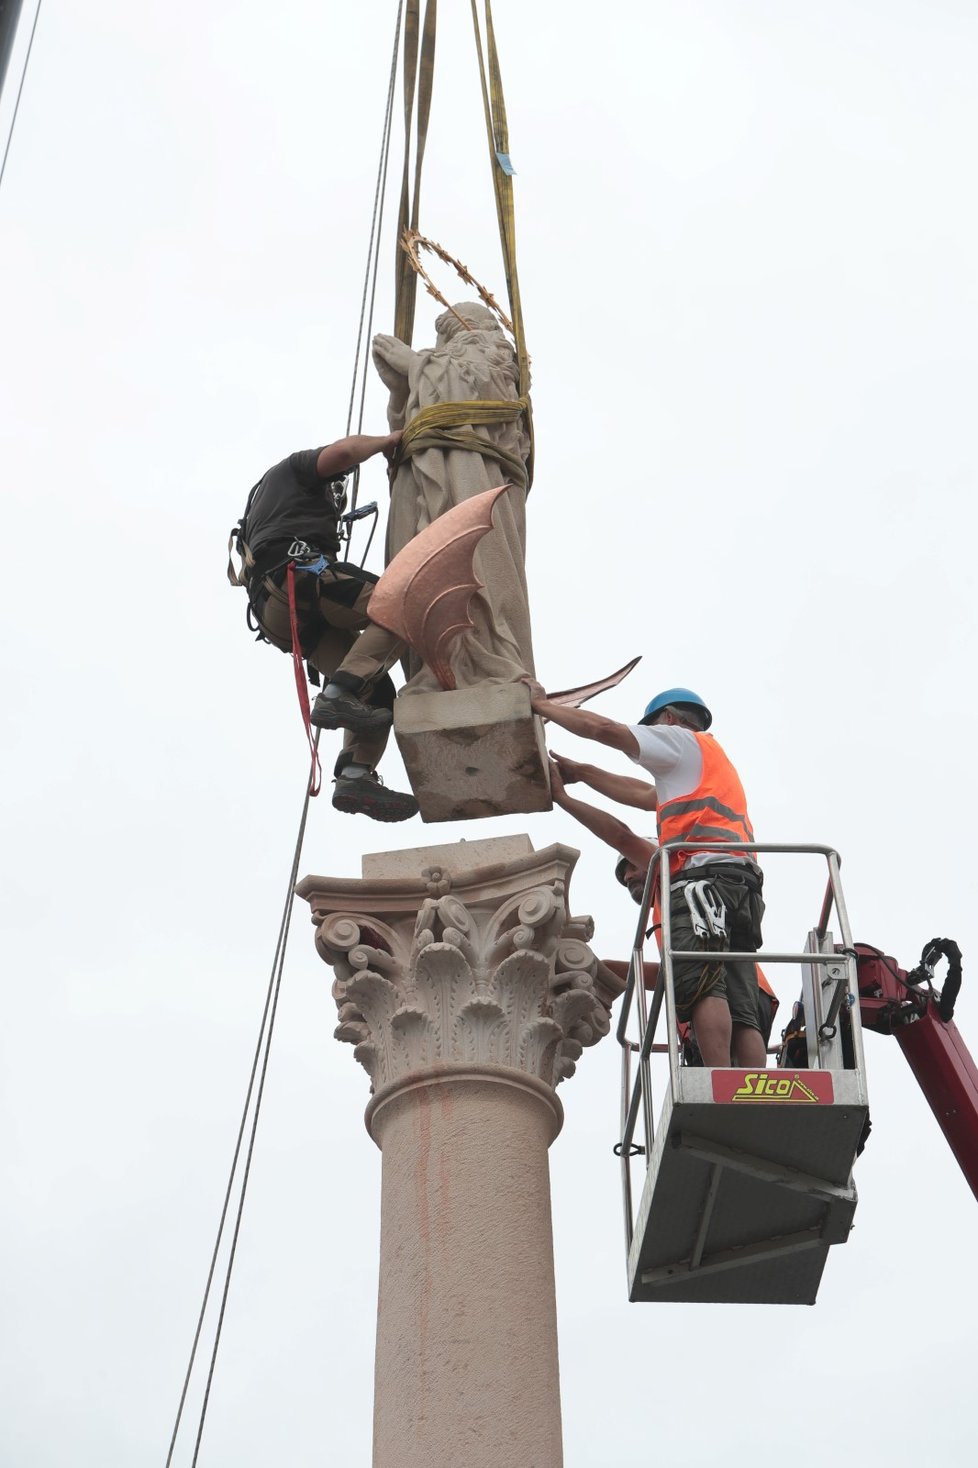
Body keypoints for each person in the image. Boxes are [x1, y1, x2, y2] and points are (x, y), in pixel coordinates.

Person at [531, 684, 765, 1067]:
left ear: (669, 720)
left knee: (703, 983)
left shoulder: (677, 741)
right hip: (741, 886)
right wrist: (582, 774)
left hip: (703, 886)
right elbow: (640, 794)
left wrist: (539, 706)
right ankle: (752, 1085)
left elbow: (603, 730)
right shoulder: (705, 768)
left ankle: (719, 1080)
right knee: (742, 1004)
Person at [230, 431, 418, 822]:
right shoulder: (295, 469)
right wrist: (390, 441)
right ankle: (338, 693)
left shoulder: (264, 509)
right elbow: (345, 452)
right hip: (298, 576)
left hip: (280, 613)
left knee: (378, 689)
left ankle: (355, 775)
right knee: (402, 603)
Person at [548, 758, 778, 1052]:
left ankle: (719, 1082)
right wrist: (603, 969)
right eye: (623, 874)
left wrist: (565, 798)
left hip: (722, 999)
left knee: (708, 1001)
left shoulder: (672, 870)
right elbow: (670, 973)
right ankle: (738, 1089)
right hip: (745, 998)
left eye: (632, 865)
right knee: (740, 1035)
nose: (629, 875)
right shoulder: (667, 908)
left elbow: (621, 835)